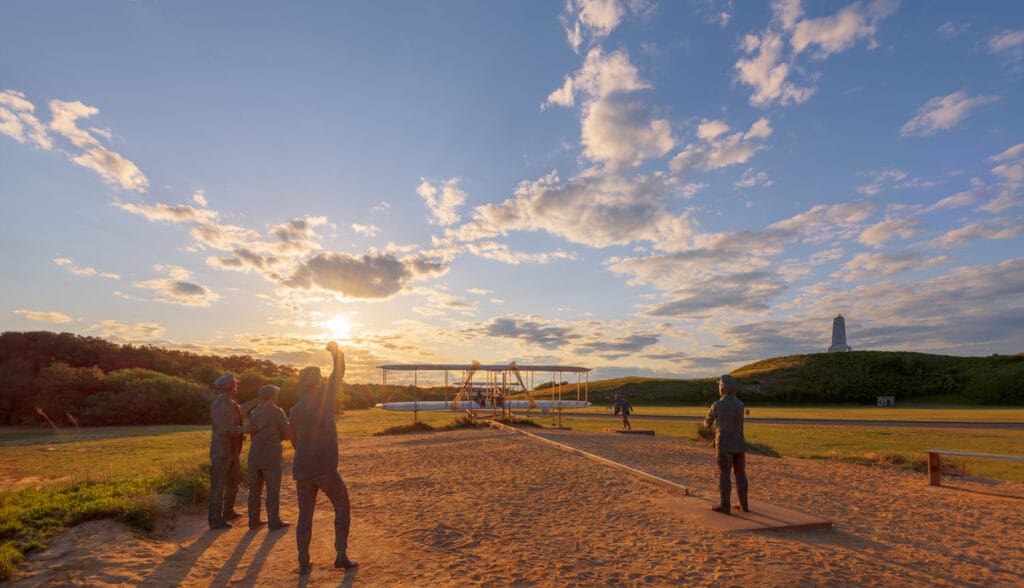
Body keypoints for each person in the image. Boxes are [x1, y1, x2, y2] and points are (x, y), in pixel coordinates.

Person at [290, 342, 357, 574]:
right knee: (342, 505)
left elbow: (293, 440)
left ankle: (303, 561)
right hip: (325, 466)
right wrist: (336, 352)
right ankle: (341, 554)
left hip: (302, 467)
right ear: (318, 381)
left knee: (304, 516)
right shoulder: (324, 398)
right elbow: (339, 372)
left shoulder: (295, 409)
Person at [247, 384, 291, 531]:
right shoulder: (277, 411)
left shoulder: (254, 412)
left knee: (254, 489)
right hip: (270, 455)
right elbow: (287, 434)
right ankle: (274, 521)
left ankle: (253, 520)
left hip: (254, 455)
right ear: (274, 395)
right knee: (272, 489)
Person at [703, 375, 748, 514]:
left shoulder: (718, 405)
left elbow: (706, 424)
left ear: (722, 388)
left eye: (719, 386)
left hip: (724, 444)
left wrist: (711, 411)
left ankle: (725, 505)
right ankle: (744, 505)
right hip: (739, 443)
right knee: (740, 474)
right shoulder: (740, 405)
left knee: (724, 475)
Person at [208, 373, 246, 529]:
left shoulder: (233, 403)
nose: (236, 385)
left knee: (233, 483)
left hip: (233, 451)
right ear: (228, 386)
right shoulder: (218, 405)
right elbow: (222, 428)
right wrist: (241, 430)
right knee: (218, 486)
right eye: (234, 383)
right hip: (221, 452)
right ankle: (215, 519)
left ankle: (228, 512)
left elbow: (241, 412)